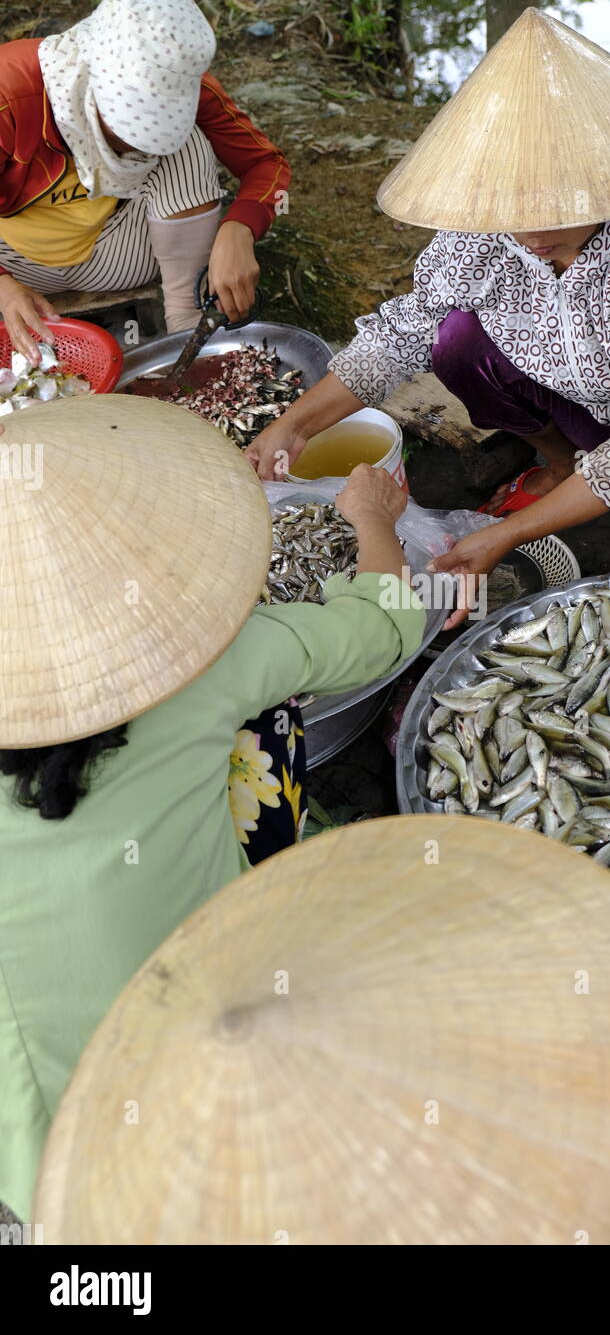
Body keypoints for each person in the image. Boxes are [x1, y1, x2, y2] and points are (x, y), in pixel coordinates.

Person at [0, 394, 424, 1221]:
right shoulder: (205, 667)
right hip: (204, 1048)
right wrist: (373, 519)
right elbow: (386, 624)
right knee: (265, 720)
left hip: (31, 1152)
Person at [246, 9, 610, 616]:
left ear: (607, 185)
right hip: (577, 391)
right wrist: (297, 425)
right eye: (516, 211)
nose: (534, 234)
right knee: (454, 337)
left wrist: (509, 536)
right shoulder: (489, 231)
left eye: (558, 210)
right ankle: (561, 461)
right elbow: (403, 331)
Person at [0, 0, 289, 361]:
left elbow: (267, 166)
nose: (131, 145)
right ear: (91, 75)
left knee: (187, 147)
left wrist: (240, 229)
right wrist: (3, 285)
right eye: (124, 124)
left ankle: (187, 340)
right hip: (14, 261)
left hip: (118, 256)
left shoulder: (187, 84)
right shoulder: (9, 93)